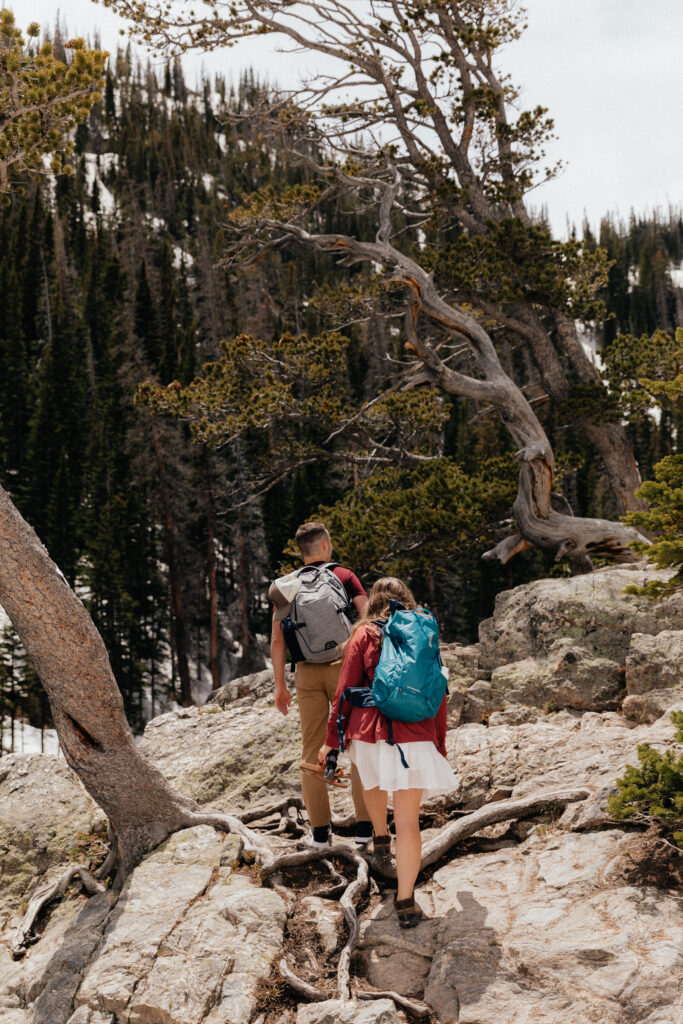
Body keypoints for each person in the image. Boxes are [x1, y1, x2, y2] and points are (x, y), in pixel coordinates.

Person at [318, 577, 457, 928]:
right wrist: (438, 742)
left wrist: (331, 742)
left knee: (374, 782)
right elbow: (438, 692)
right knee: (409, 820)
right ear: (407, 599)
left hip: (369, 733)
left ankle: (381, 837)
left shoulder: (364, 635)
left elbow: (344, 691)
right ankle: (407, 901)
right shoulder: (423, 635)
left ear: (373, 602)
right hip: (414, 733)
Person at [270, 521, 372, 848]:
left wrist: (280, 687)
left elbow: (276, 639)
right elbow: (368, 621)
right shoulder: (344, 576)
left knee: (311, 752)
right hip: (346, 668)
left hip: (306, 672)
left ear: (302, 552)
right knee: (358, 746)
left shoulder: (286, 587)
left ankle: (319, 835)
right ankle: (364, 829)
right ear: (325, 545)